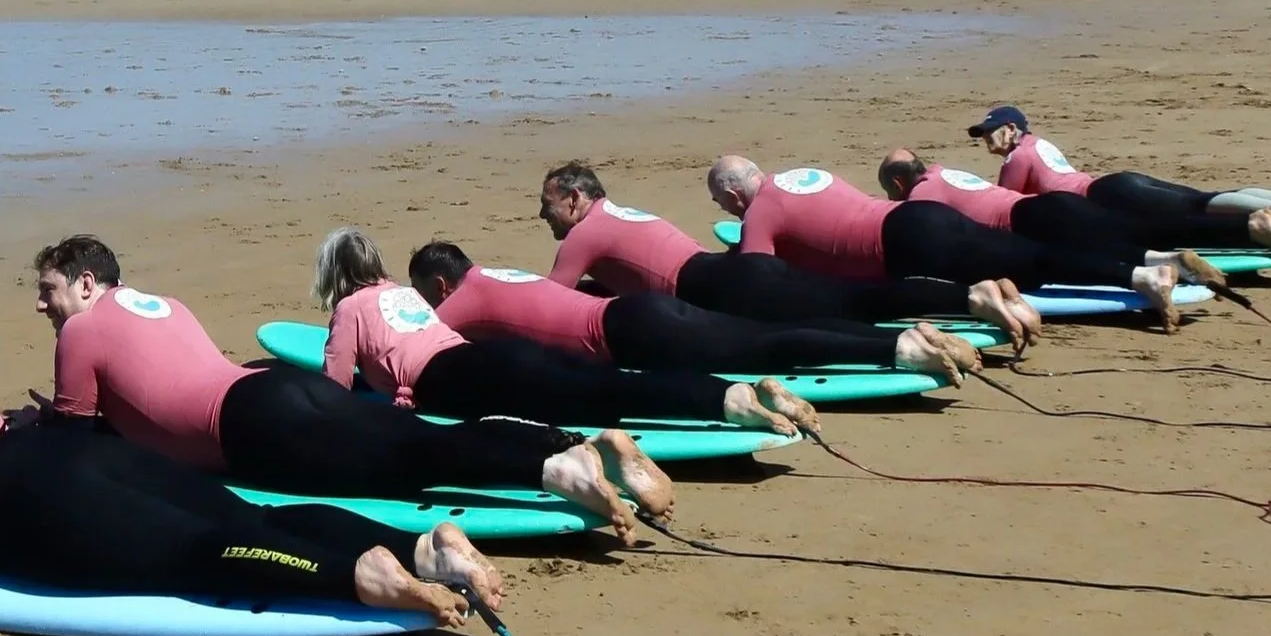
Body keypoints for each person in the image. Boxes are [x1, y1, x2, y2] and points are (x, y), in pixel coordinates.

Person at [0, 296, 501, 626]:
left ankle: (356, 576)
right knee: (244, 512)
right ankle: (419, 545)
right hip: (62, 454)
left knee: (185, 552)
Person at [28, 234, 663, 541]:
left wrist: (34, 429)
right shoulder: (161, 304)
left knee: (411, 460)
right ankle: (573, 446)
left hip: (253, 430)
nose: (42, 306)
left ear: (86, 283)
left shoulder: (81, 333)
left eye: (49, 290)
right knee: (414, 436)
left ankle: (557, 468)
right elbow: (150, 398)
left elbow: (75, 439)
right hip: (274, 391)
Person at [312, 231, 816, 437]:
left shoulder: (351, 309)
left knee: (588, 405)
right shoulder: (408, 295)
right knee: (609, 382)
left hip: (460, 379)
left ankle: (728, 404)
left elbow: (331, 393)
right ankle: (730, 394)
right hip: (496, 356)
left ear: (335, 277)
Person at [536, 162, 1034, 348]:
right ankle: (970, 295)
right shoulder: (620, 213)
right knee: (849, 295)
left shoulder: (584, 235)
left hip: (718, 287)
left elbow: (550, 306)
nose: (545, 217)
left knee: (824, 317)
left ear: (576, 199)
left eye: (549, 206)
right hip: (729, 270)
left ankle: (930, 327)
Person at [409, 239, 976, 386]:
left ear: (440, 283)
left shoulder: (459, 302)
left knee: (762, 352)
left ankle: (897, 349)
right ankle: (903, 335)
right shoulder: (496, 273)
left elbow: (423, 348)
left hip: (631, 333)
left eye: (431, 294)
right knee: (766, 334)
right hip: (638, 308)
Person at [708, 156, 1189, 326]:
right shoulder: (804, 174)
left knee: (1032, 267)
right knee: (1030, 255)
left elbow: (762, 281)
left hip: (903, 246)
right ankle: (1139, 267)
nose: (728, 211)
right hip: (919, 215)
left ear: (734, 193)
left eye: (723, 203)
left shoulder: (760, 212)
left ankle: (1144, 276)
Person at [964, 105, 1271, 257]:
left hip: (1105, 196)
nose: (985, 140)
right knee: (1200, 198)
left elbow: (1010, 206)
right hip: (1114, 182)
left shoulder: (1017, 155)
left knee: (1193, 210)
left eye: (989, 132)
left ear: (1011, 129)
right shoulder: (1040, 144)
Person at [875, 151, 1244, 287]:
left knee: (1072, 258)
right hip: (1053, 203)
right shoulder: (945, 172)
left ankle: (1150, 273)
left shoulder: (920, 195)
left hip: (1029, 220)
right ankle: (1239, 231)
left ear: (897, 182)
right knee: (1134, 232)